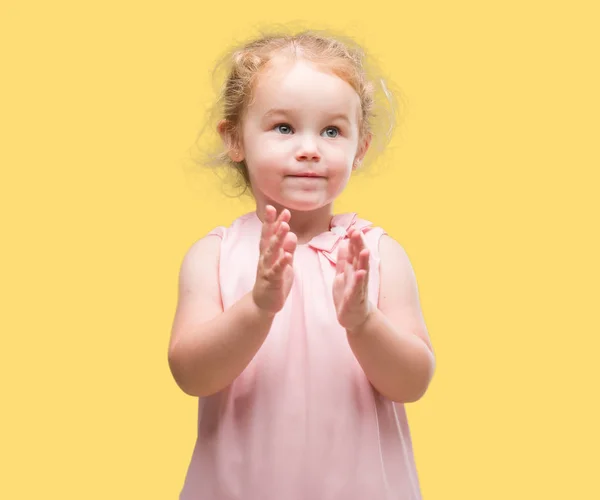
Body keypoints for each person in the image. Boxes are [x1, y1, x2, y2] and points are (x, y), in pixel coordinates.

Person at [168, 29, 436, 500]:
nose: (310, 148)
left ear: (359, 149)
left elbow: (413, 383)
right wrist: (258, 305)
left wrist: (363, 321)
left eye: (332, 131)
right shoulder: (213, 256)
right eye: (284, 128)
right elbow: (191, 374)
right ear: (235, 140)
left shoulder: (376, 254)